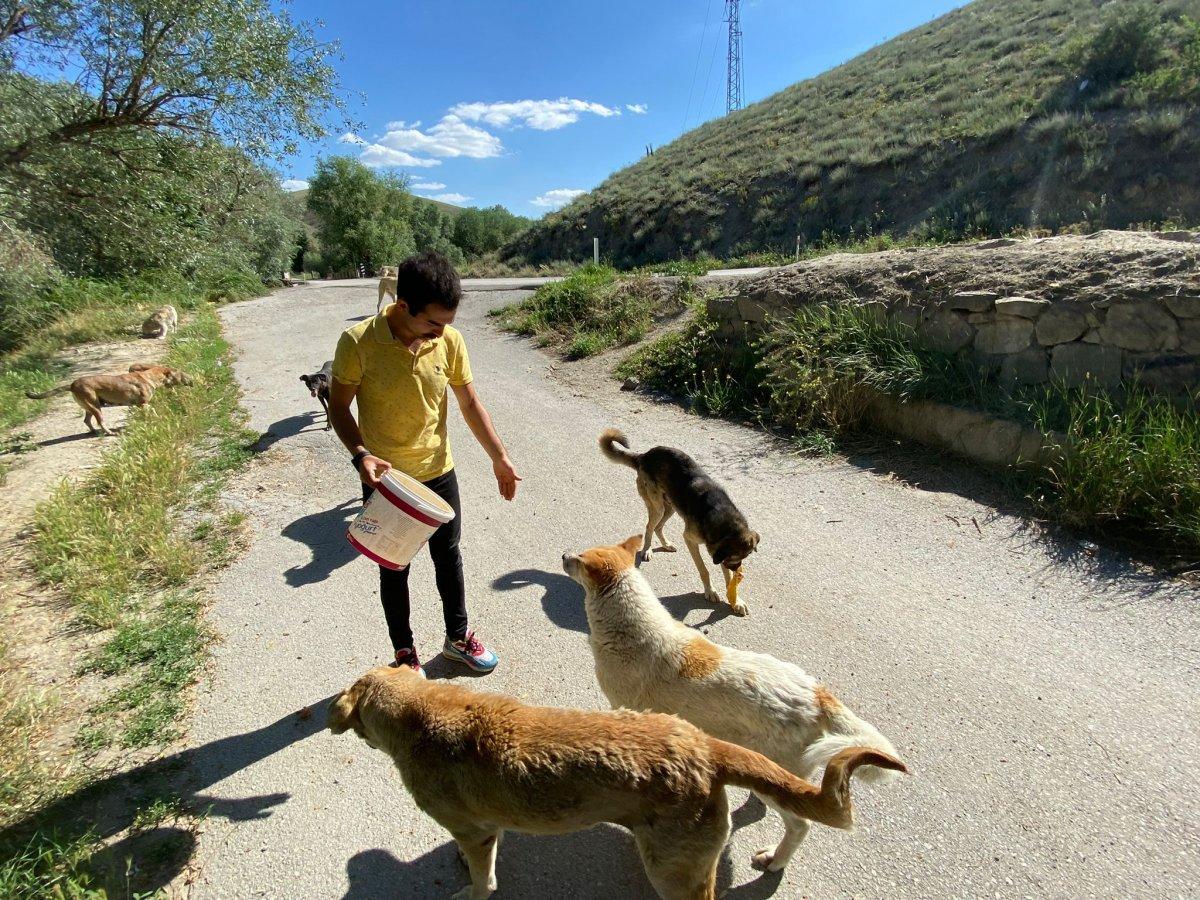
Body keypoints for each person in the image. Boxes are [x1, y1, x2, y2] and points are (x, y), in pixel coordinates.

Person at [328, 251, 520, 676]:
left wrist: (499, 457)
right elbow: (339, 409)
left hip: (439, 469)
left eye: (448, 323)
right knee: (393, 566)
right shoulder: (358, 343)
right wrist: (360, 454)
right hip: (387, 480)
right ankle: (404, 654)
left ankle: (458, 638)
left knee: (448, 555)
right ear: (402, 307)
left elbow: (469, 403)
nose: (441, 333)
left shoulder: (448, 341)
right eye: (433, 323)